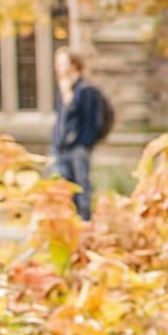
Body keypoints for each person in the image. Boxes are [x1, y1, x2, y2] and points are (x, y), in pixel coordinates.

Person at [52, 46, 113, 218]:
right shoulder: (64, 89)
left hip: (78, 148)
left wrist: (84, 143)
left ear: (74, 65)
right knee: (63, 188)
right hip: (61, 147)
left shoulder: (87, 90)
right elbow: (61, 121)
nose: (58, 68)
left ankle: (85, 222)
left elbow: (92, 120)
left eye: (62, 63)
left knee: (81, 187)